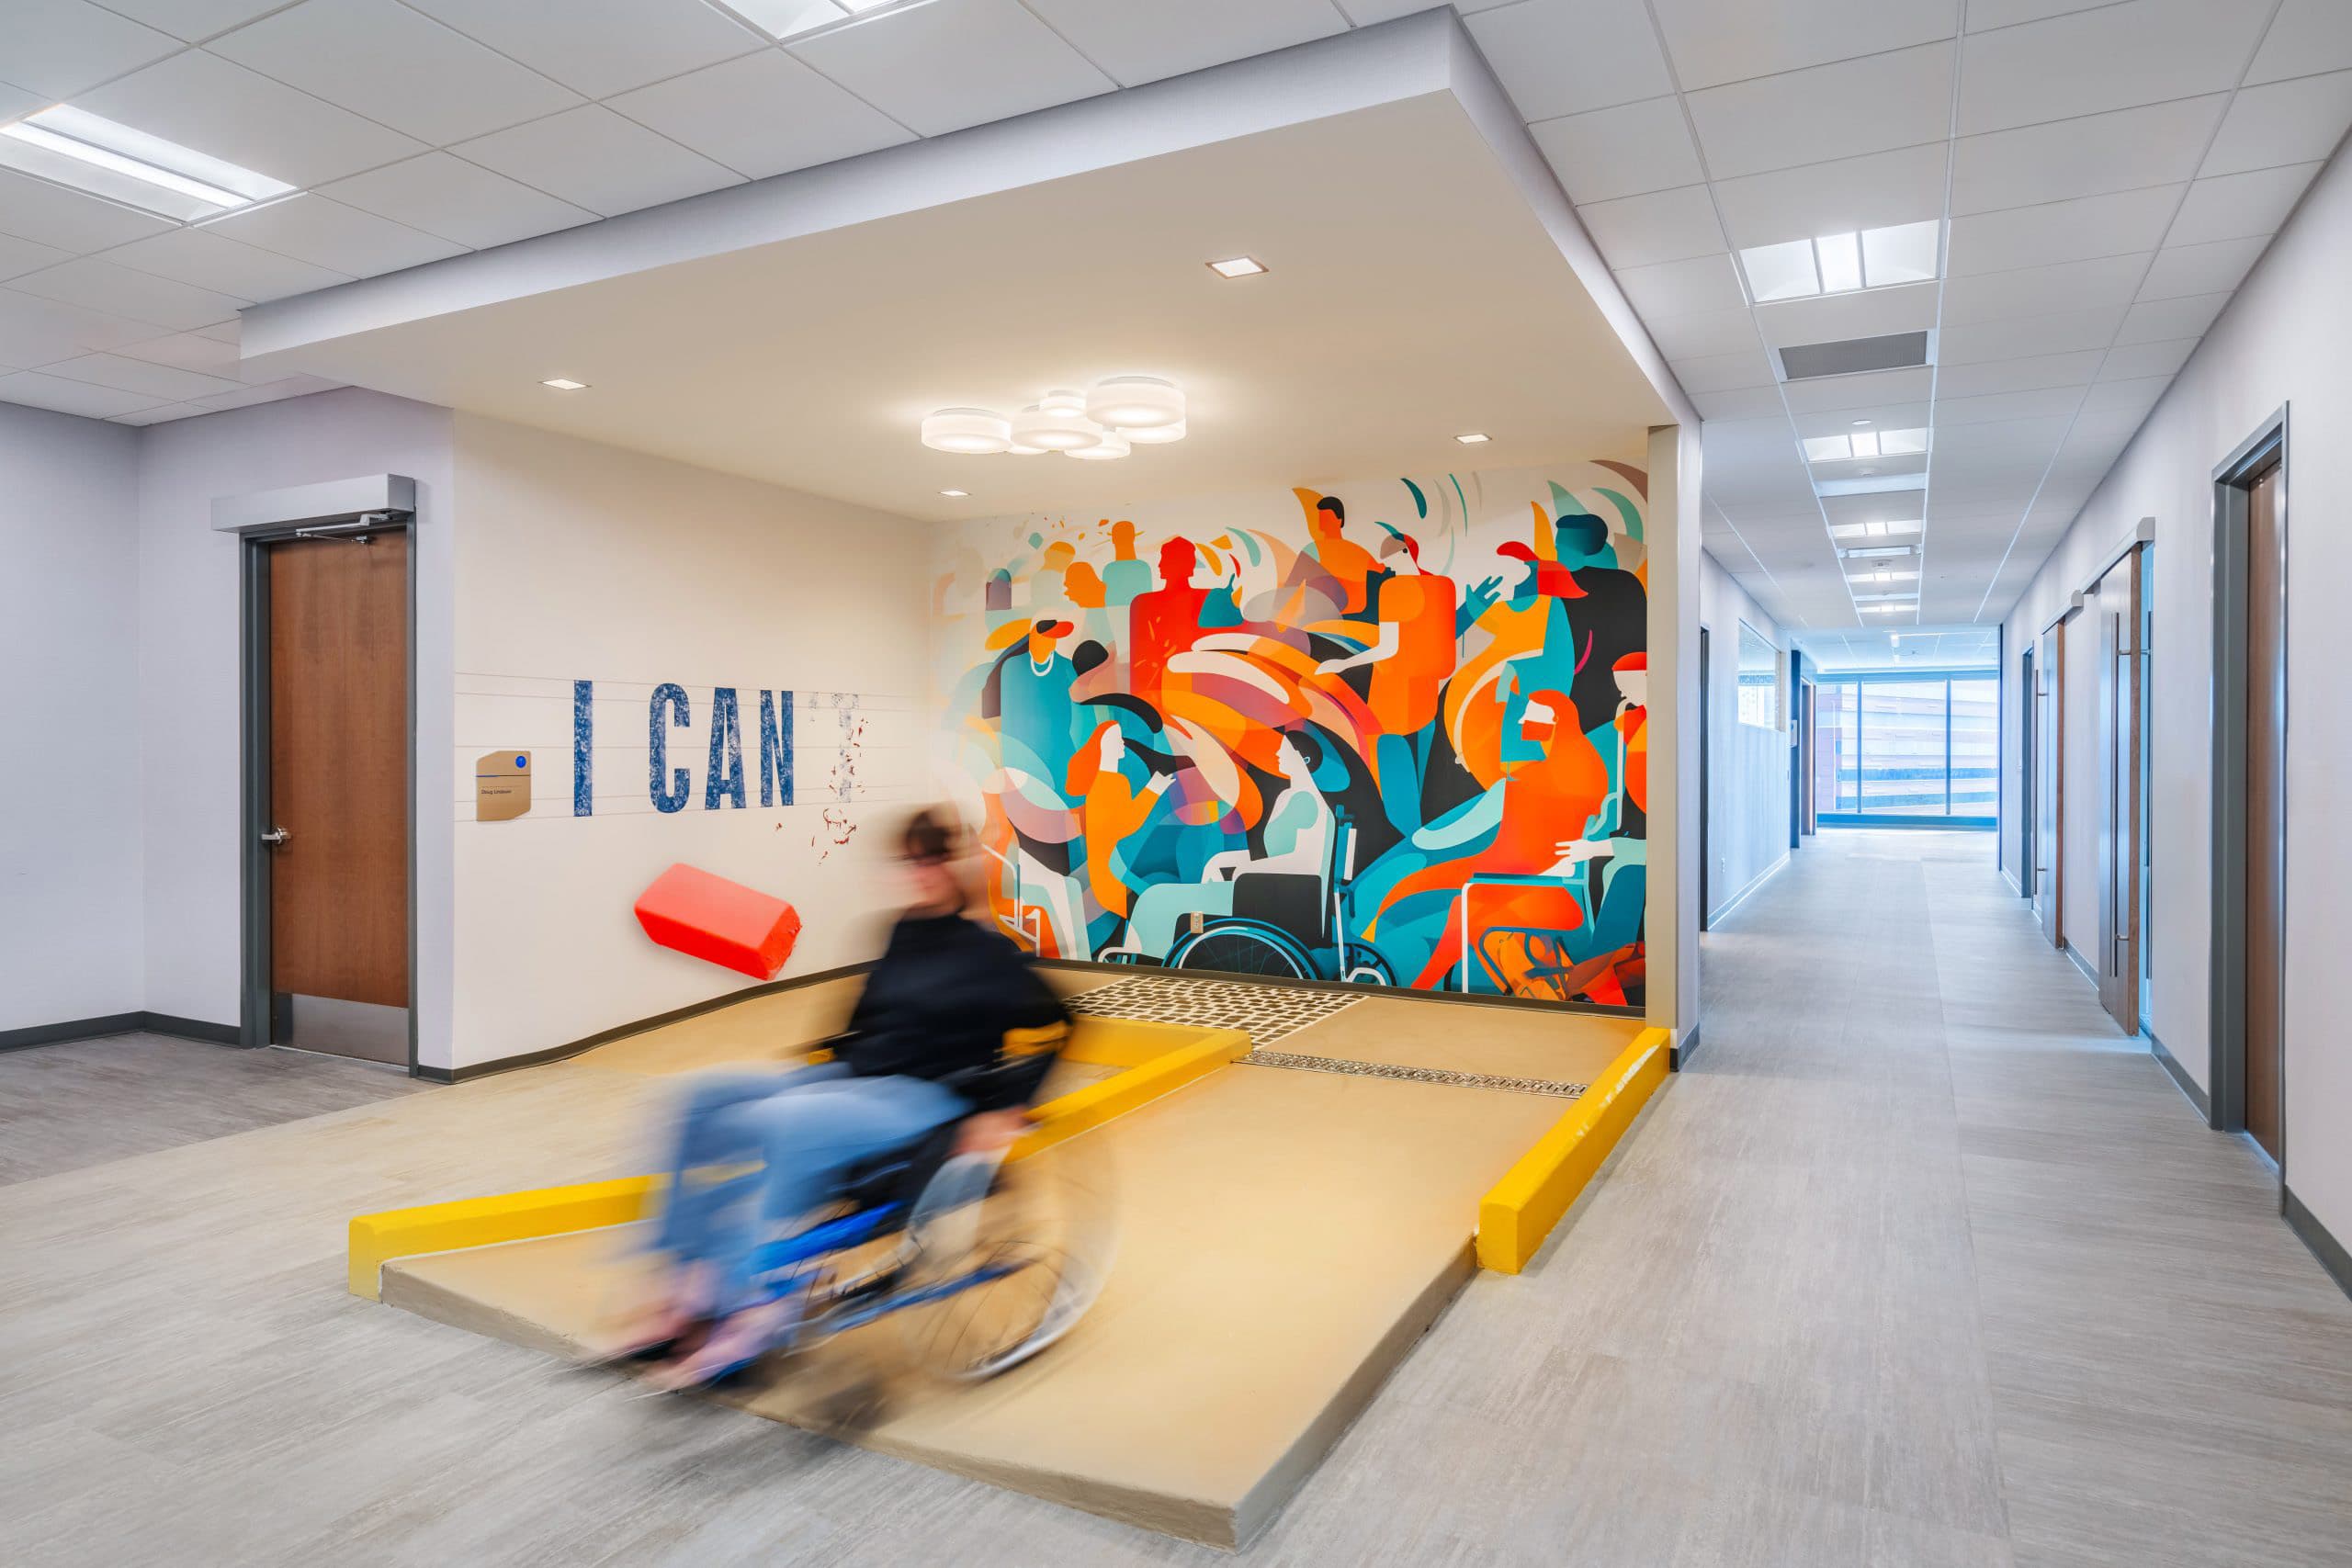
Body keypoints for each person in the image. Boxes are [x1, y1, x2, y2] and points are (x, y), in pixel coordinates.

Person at [608, 808, 1070, 1388]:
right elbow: (861, 1020)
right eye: (911, 859)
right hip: (853, 1078)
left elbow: (1063, 1024)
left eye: (933, 858)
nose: (920, 871)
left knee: (790, 1121)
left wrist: (1006, 1109)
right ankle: (678, 1285)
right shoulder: (901, 931)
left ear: (958, 865)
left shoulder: (989, 955)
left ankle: (758, 1305)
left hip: (925, 1097)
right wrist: (816, 1064)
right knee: (696, 1099)